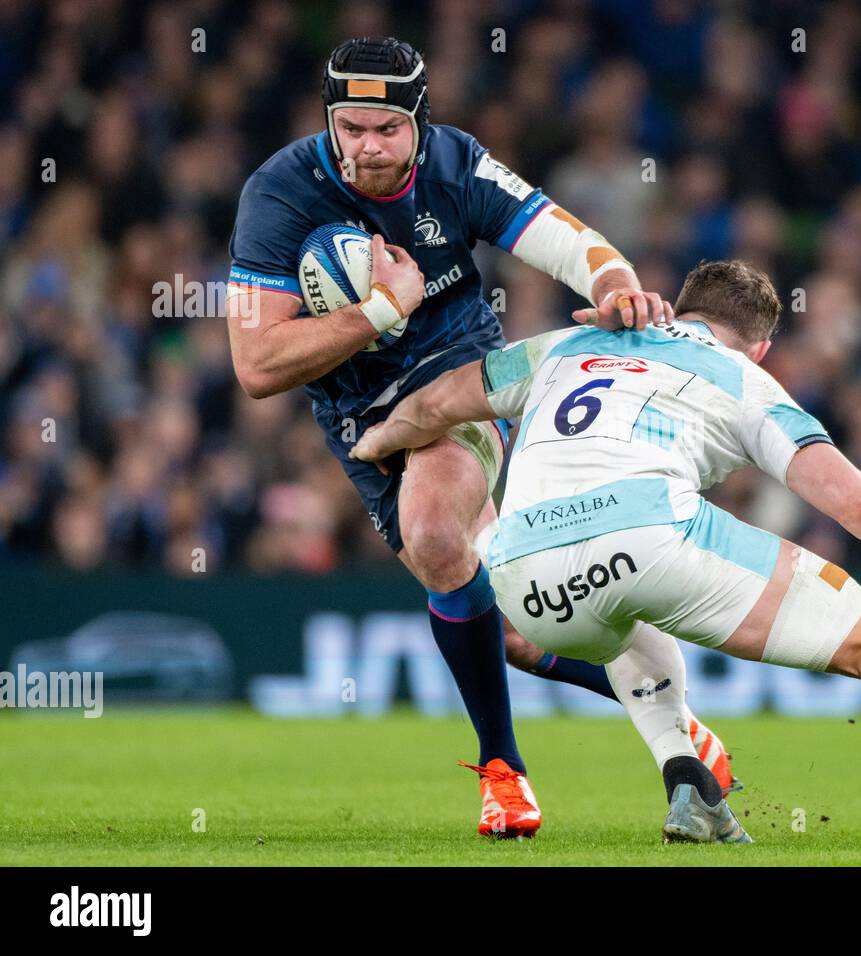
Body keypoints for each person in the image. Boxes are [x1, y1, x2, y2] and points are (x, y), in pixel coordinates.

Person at [350, 260, 861, 850]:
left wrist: (376, 443)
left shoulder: (562, 347)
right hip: (645, 533)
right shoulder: (745, 379)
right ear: (758, 346)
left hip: (521, 572)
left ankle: (688, 782)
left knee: (631, 618)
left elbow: (441, 399)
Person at [225, 36, 734, 838]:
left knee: (433, 531)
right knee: (521, 632)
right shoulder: (280, 192)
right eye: (349, 127)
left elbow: (566, 239)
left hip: (458, 379)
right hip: (359, 421)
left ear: (419, 124)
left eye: (385, 130)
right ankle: (676, 718)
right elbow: (255, 364)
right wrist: (382, 310)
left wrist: (617, 287)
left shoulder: (458, 167)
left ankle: (504, 773)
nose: (366, 147)